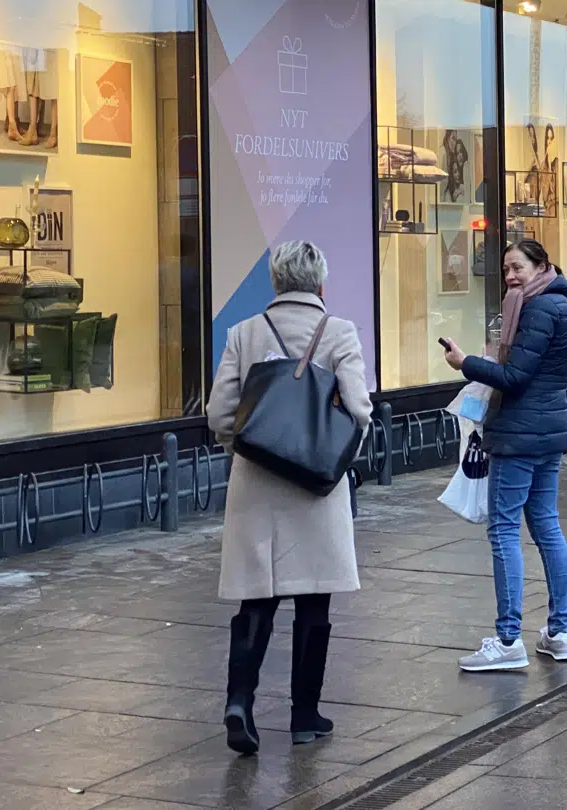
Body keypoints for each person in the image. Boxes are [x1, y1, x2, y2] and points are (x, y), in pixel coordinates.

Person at [208, 241, 374, 755]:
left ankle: (240, 702)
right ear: (320, 283)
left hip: (256, 485)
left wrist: (253, 449)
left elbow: (219, 415)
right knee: (314, 601)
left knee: (256, 598)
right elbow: (359, 412)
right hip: (315, 487)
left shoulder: (244, 333)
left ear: (276, 282)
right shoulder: (339, 332)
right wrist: (330, 459)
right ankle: (304, 716)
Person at [442, 240, 567, 672]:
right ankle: (559, 632)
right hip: (549, 431)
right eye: (505, 270)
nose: (510, 277)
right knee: (547, 526)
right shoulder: (565, 305)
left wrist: (466, 362)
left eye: (517, 267)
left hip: (519, 434)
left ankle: (507, 640)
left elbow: (515, 376)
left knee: (504, 530)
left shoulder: (537, 309)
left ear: (541, 265)